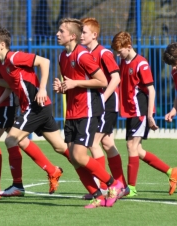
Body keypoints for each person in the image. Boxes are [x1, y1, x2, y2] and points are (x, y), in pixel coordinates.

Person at [0, 17, 63, 201]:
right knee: (23, 142)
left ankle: (0, 187)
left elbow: (9, 82)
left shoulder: (0, 58)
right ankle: (51, 170)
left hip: (9, 104)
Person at [53, 18, 123, 209]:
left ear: (72, 36)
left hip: (88, 111)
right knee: (74, 158)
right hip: (72, 112)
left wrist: (75, 83)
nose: (57, 34)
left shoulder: (82, 55)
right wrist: (63, 88)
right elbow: (71, 83)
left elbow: (101, 81)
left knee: (81, 155)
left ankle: (113, 184)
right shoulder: (62, 56)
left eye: (61, 31)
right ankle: (97, 196)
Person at [111, 31, 177, 196]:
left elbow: (151, 90)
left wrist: (149, 116)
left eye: (120, 51)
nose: (118, 54)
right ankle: (171, 172)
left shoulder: (141, 64)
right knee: (137, 150)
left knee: (131, 146)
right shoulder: (123, 62)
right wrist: (173, 110)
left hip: (140, 111)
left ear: (129, 46)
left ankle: (131, 188)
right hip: (131, 112)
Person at [80, 17, 128, 198]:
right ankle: (121, 185)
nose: (81, 35)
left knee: (93, 142)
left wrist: (102, 98)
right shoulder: (85, 54)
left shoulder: (104, 53)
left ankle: (103, 187)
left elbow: (115, 79)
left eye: (84, 32)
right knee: (107, 144)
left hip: (107, 105)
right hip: (99, 104)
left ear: (94, 34)